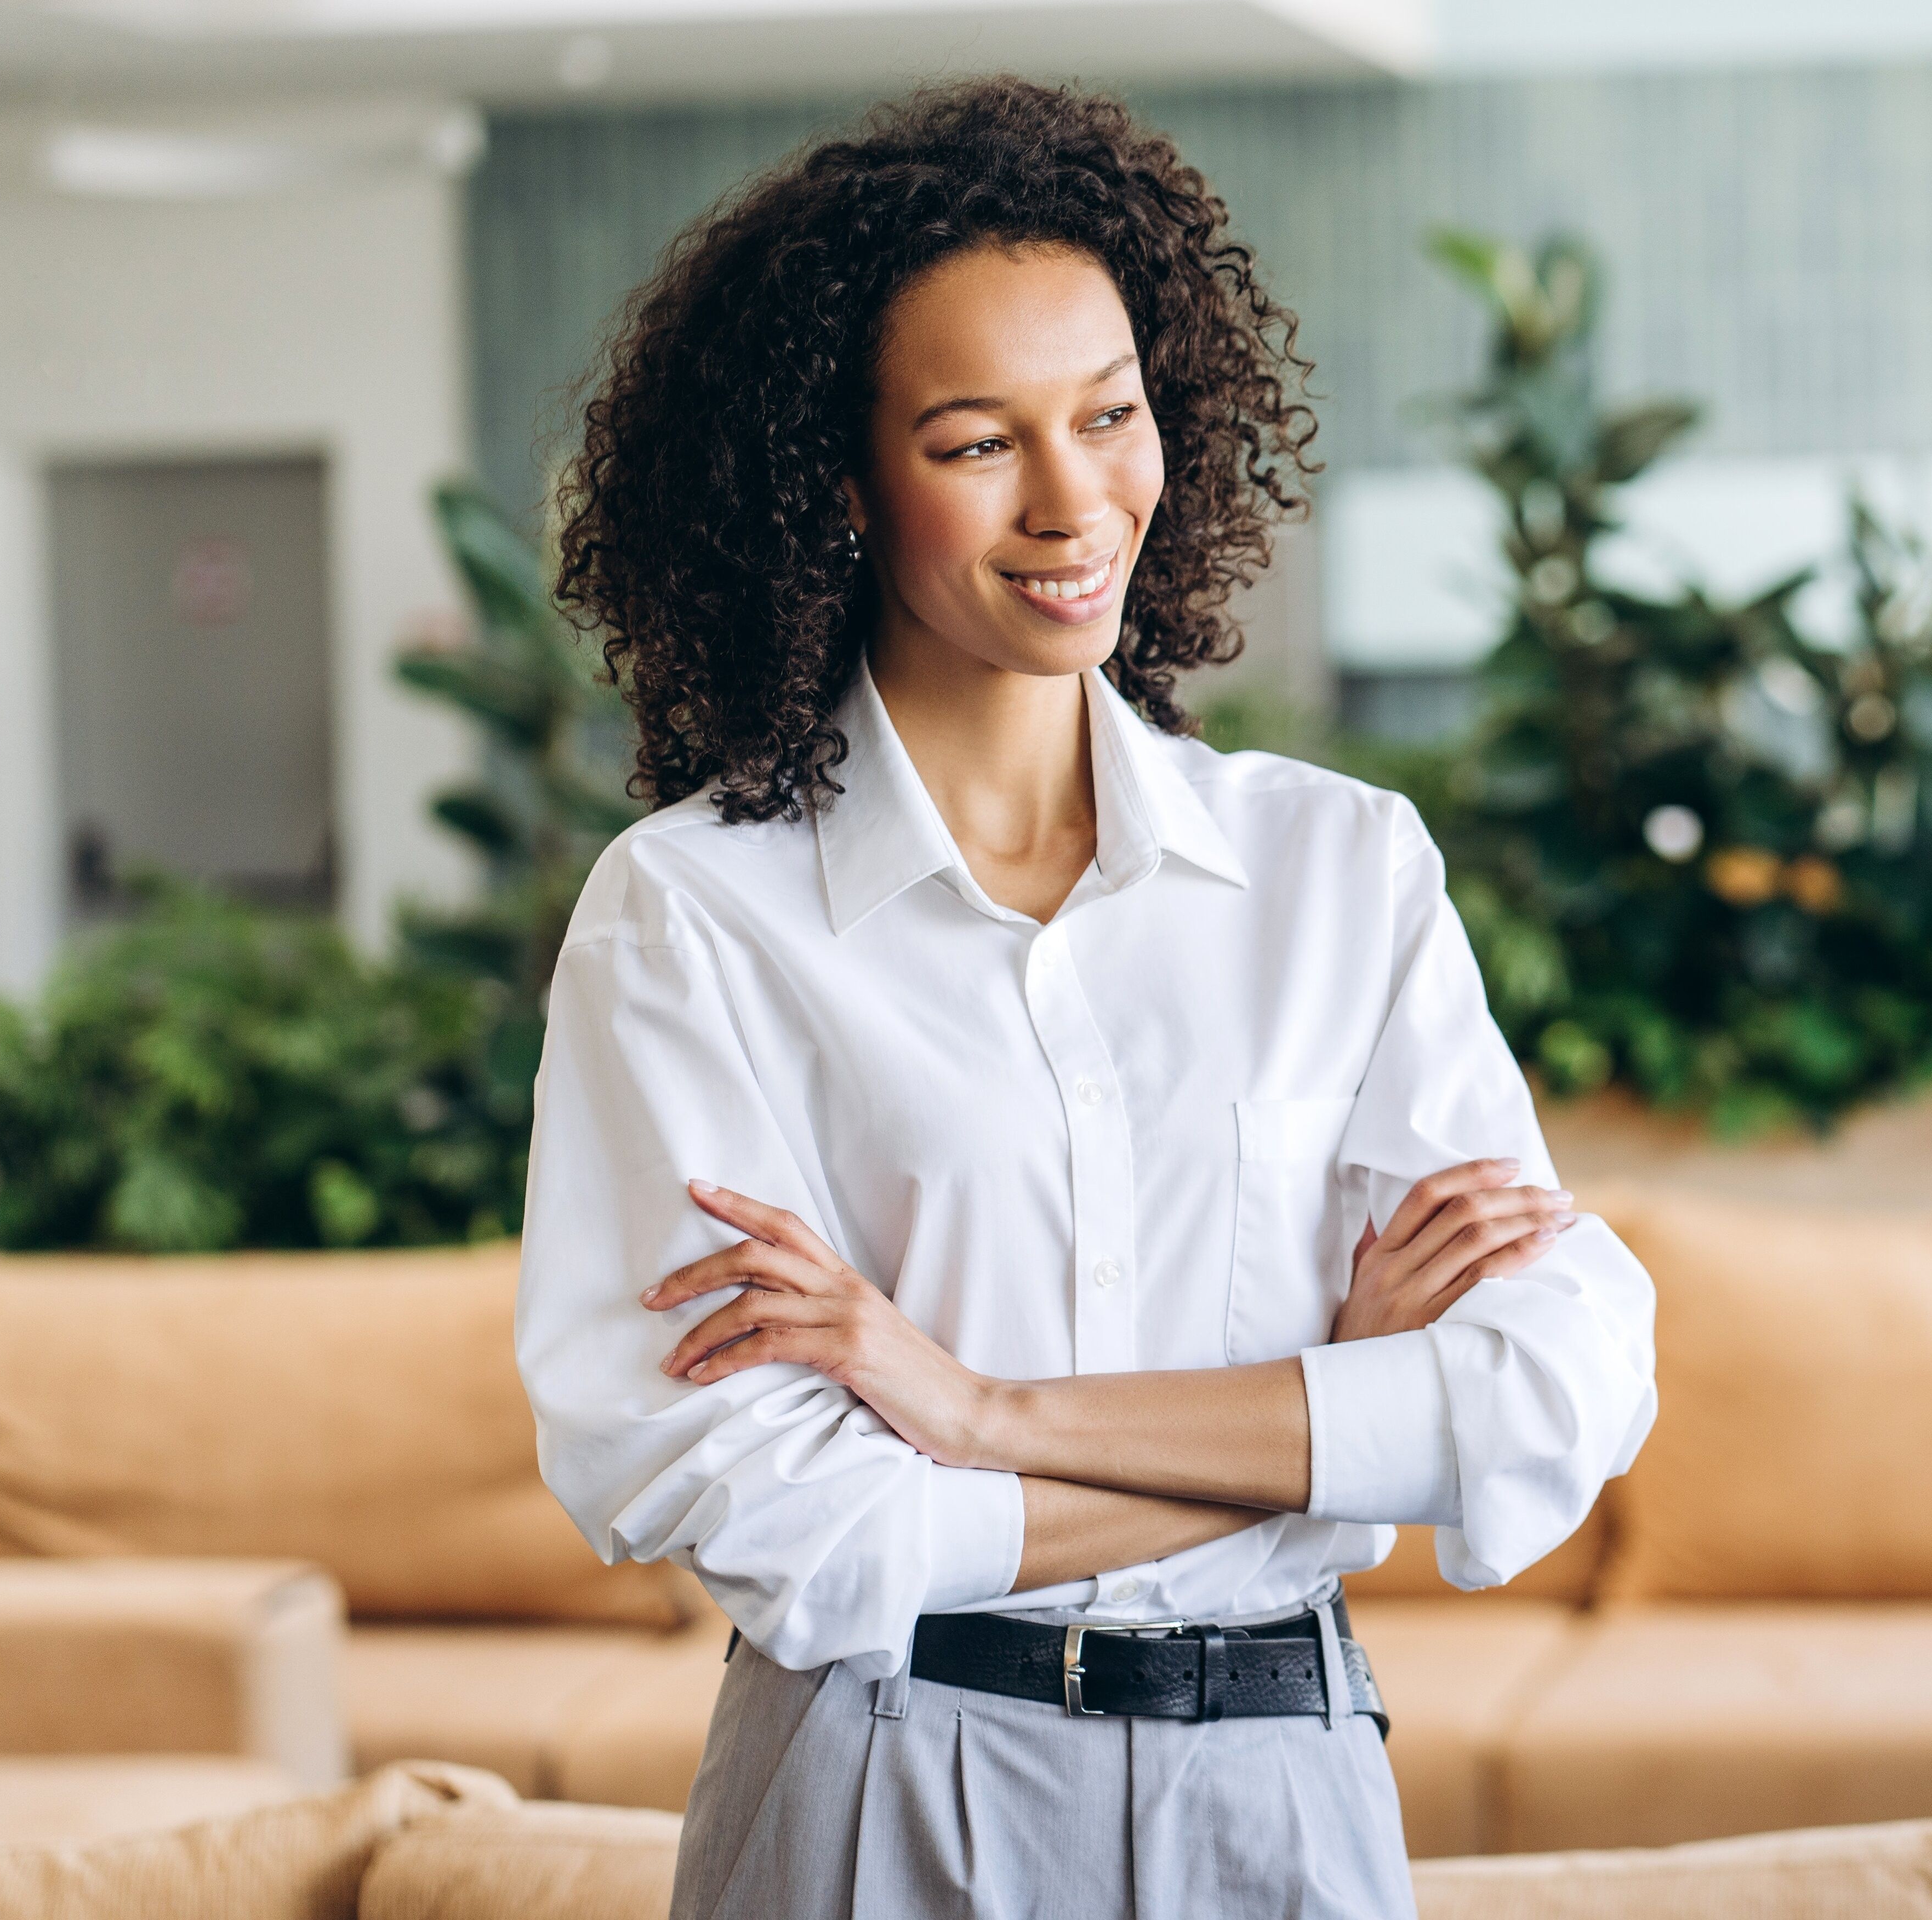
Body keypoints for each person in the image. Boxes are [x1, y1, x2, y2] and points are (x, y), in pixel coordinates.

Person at [517, 77, 1657, 1920]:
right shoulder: (694, 920)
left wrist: (975, 1412)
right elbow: (782, 1518)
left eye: (1111, 415)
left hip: (1286, 1794)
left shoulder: (1337, 874)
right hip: (884, 1783)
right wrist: (1333, 1449)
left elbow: (1556, 1390)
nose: (1075, 499)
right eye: (977, 442)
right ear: (834, 482)